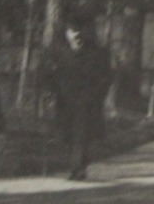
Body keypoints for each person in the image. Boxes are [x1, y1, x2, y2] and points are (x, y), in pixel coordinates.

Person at [46, 14, 113, 181]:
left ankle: (78, 168)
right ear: (66, 33)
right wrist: (50, 93)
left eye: (79, 31)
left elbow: (107, 76)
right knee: (67, 134)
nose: (76, 35)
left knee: (82, 133)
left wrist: (98, 95)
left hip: (87, 100)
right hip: (64, 100)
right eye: (72, 31)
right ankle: (79, 163)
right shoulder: (57, 52)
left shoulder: (97, 52)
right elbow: (46, 75)